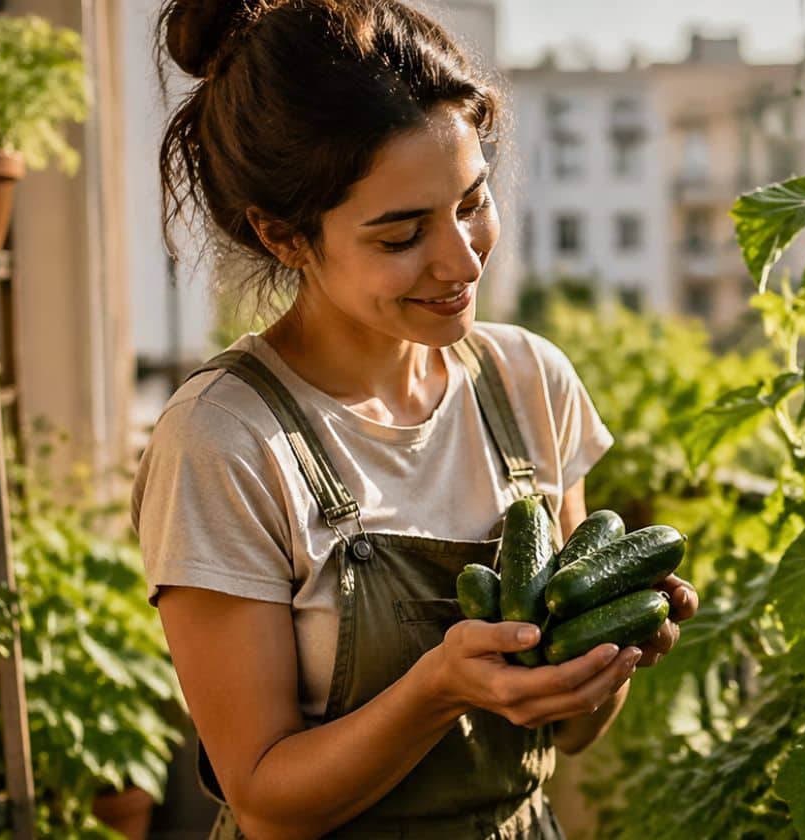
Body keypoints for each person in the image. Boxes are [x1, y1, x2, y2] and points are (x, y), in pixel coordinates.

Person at [131, 0, 697, 836]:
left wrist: (607, 659)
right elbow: (264, 800)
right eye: (401, 236)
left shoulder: (527, 381)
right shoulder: (225, 441)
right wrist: (440, 688)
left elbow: (572, 735)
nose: (461, 260)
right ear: (284, 236)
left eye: (472, 202)